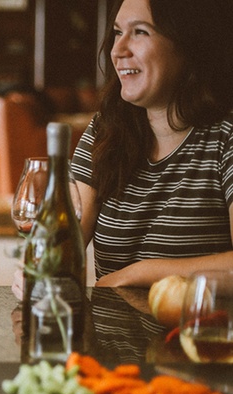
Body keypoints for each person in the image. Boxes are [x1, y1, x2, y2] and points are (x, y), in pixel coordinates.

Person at [70, 0, 233, 287]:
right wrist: (37, 264)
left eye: (141, 32)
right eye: (118, 32)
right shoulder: (105, 128)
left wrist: (139, 273)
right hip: (113, 332)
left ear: (187, 45)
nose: (118, 50)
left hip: (197, 332)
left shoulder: (226, 136)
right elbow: (65, 243)